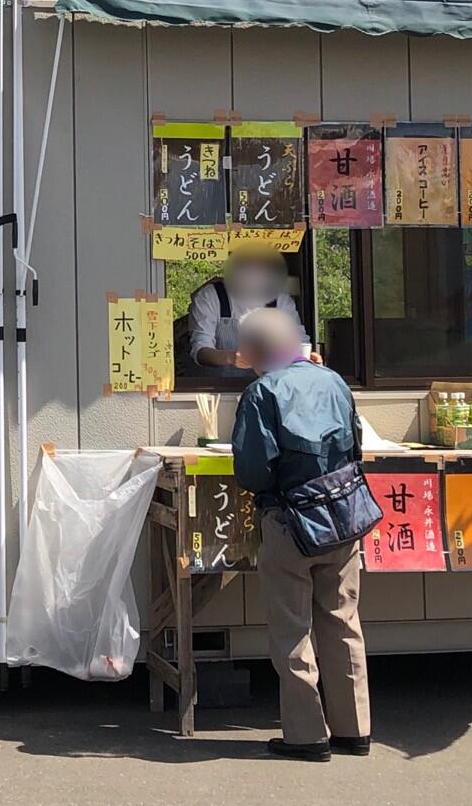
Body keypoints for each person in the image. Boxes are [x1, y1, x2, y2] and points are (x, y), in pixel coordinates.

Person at [230, 307, 370, 762]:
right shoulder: (332, 380)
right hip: (344, 517)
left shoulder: (260, 393)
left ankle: (307, 735)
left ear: (254, 352)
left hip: (290, 520)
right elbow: (354, 443)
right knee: (343, 620)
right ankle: (355, 730)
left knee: (292, 629)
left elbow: (252, 471)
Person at [188, 252, 314, 376]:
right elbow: (200, 350)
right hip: (218, 389)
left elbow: (298, 341)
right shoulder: (211, 296)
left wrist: (306, 357)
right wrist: (231, 357)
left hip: (270, 386)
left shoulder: (280, 299)